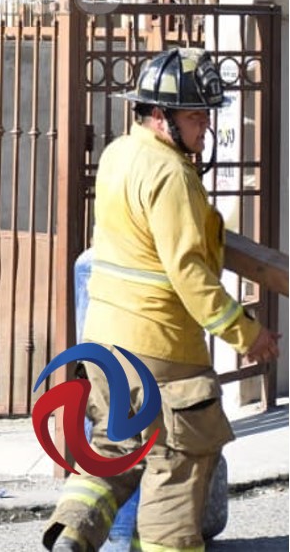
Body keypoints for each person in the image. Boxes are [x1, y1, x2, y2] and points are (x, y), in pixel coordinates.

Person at [44, 48, 280, 552]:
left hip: (106, 346)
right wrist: (247, 334)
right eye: (195, 117)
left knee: (114, 450)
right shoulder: (171, 174)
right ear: (159, 115)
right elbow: (189, 272)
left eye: (205, 116)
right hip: (161, 351)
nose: (205, 128)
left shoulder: (119, 154)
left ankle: (72, 534)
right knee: (178, 462)